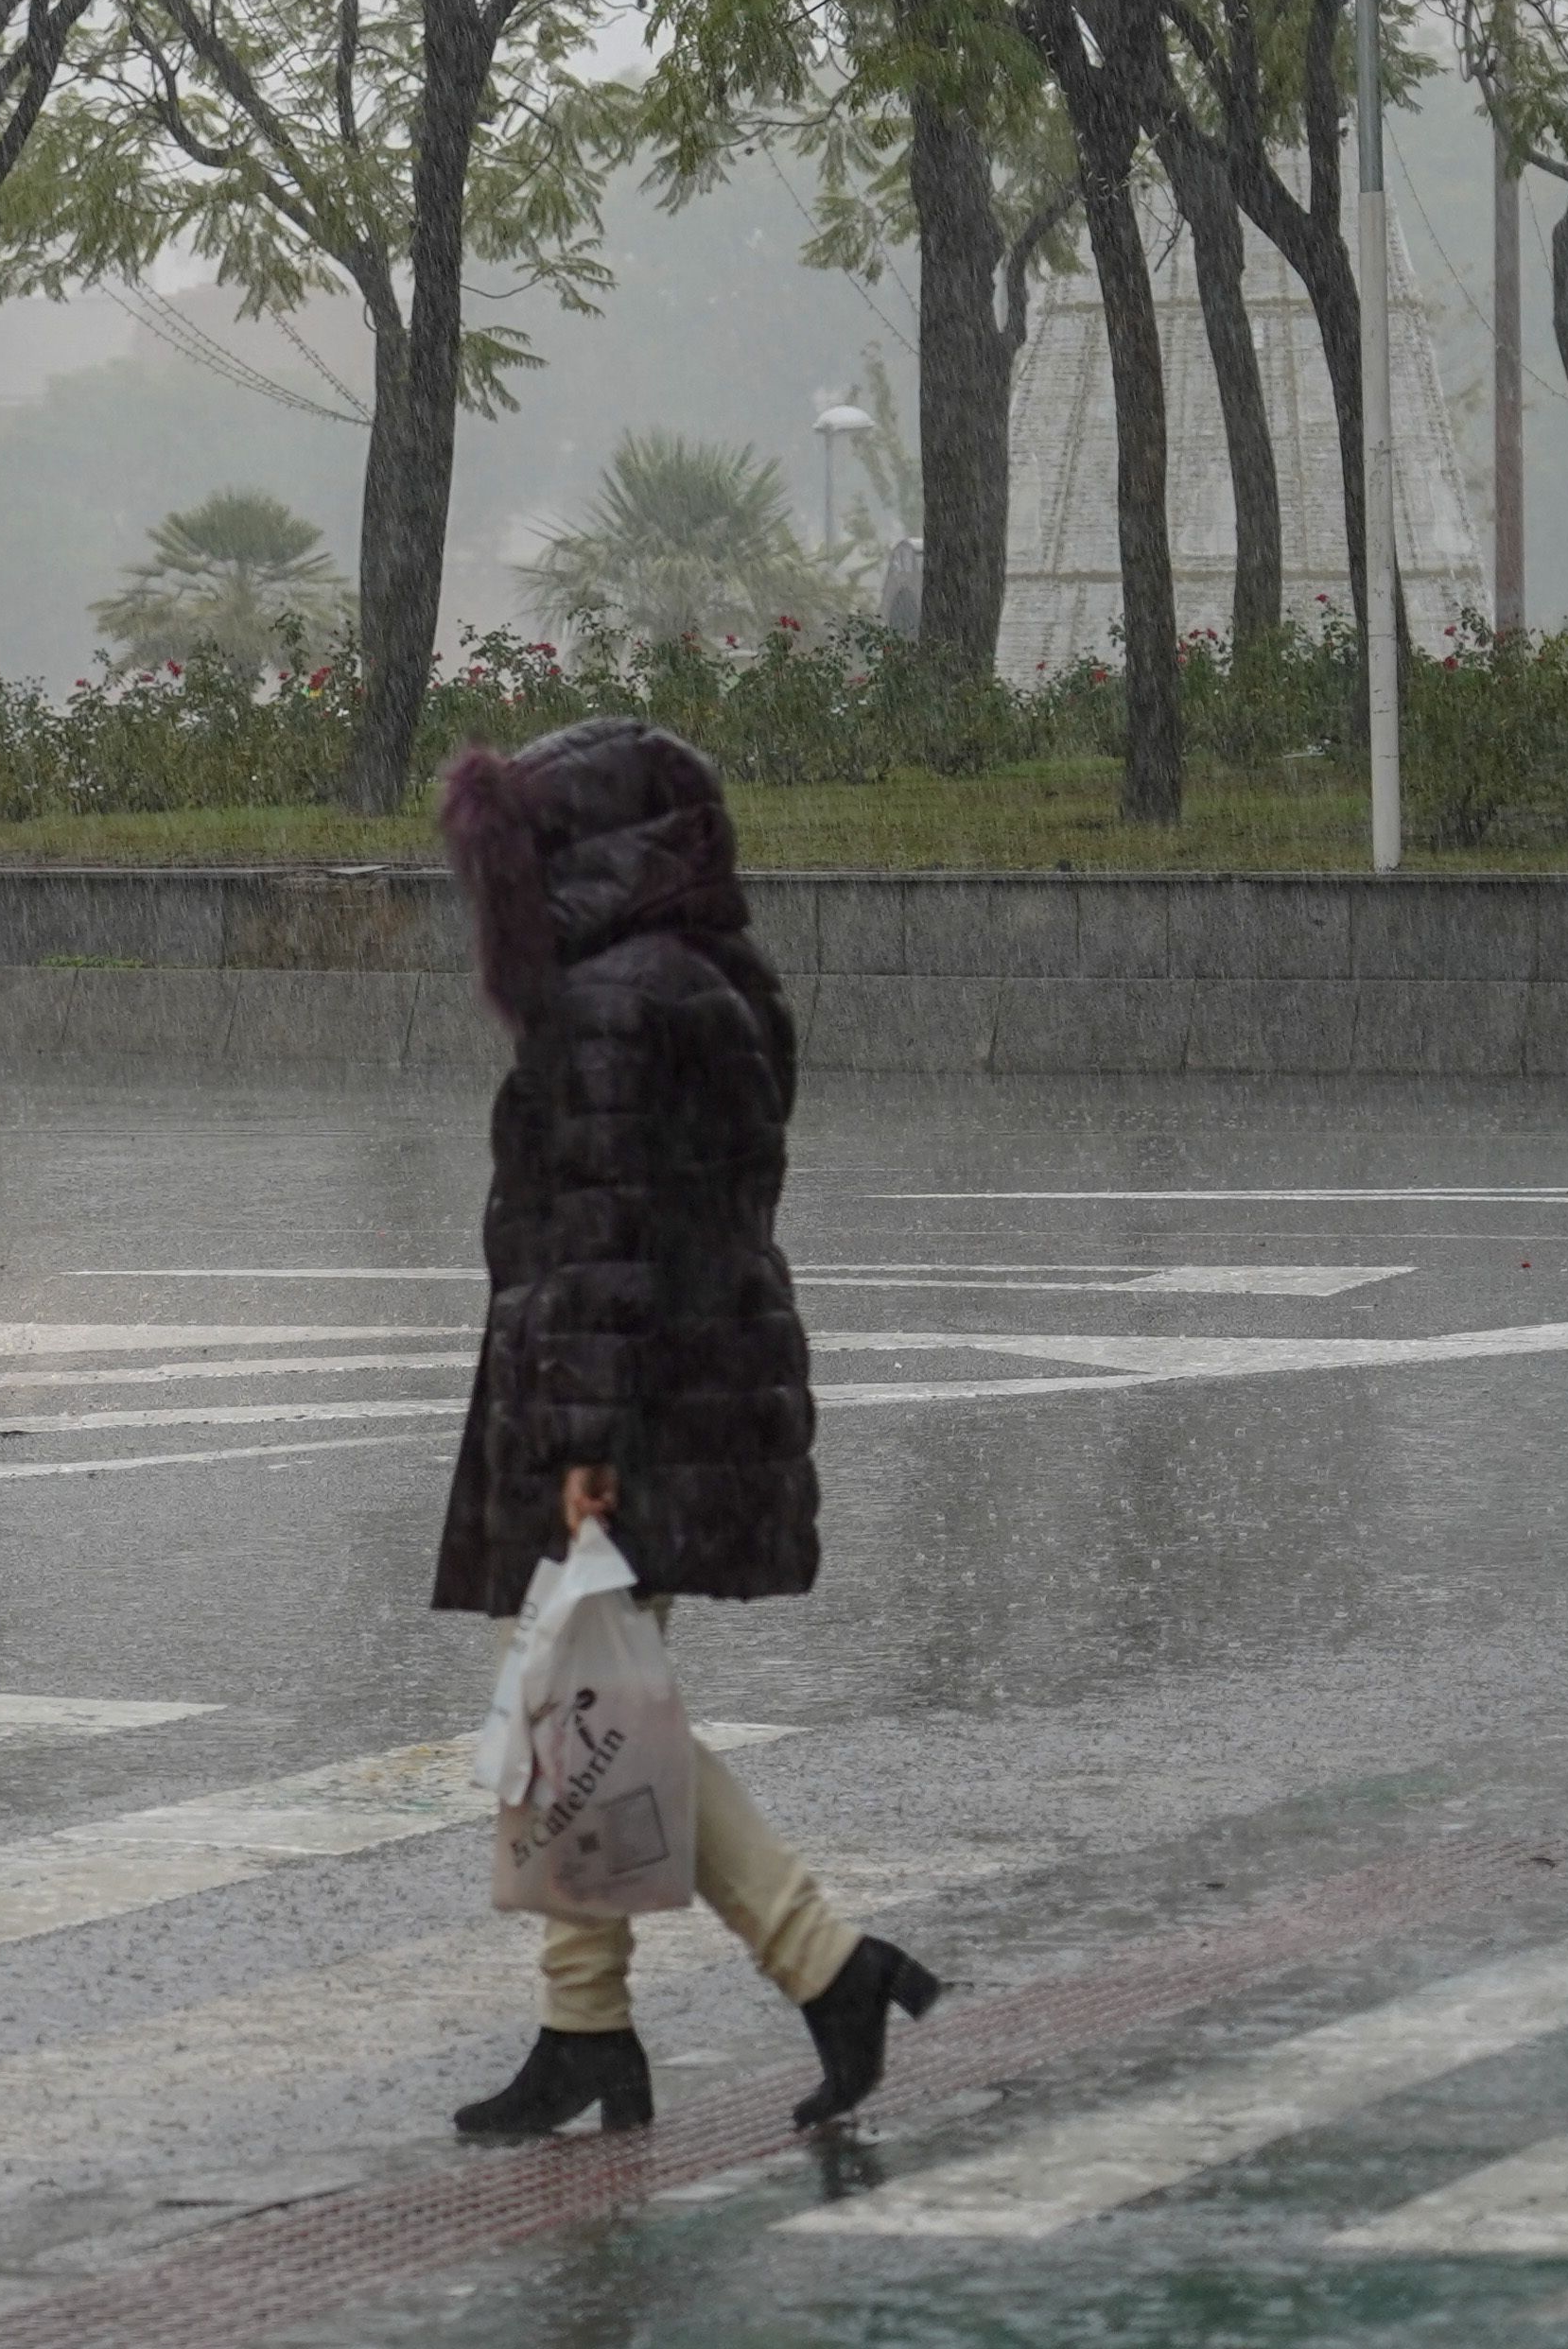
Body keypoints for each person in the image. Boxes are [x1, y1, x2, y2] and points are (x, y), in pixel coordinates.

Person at [430, 716, 941, 2138]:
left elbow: (599, 1240)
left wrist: (581, 1447)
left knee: (592, 1706)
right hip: (687, 1377)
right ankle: (583, 2026)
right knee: (581, 1693)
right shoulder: (705, 975)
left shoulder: (607, 1007)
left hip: (620, 1401)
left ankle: (826, 1964)